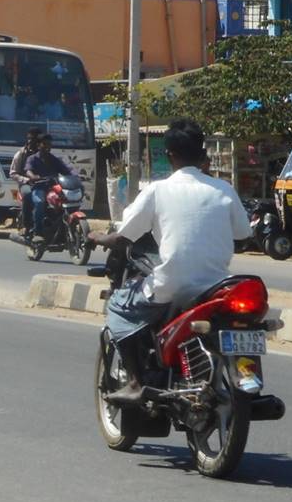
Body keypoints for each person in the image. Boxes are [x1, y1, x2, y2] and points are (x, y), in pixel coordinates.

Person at [92, 119, 252, 404]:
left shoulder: (158, 190)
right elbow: (243, 233)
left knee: (118, 306)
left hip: (172, 286)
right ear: (203, 153)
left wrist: (96, 237)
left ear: (169, 155)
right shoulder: (224, 190)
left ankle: (136, 382)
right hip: (217, 286)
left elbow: (123, 237)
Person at [21, 134, 74, 238]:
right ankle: (38, 232)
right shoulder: (32, 159)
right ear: (38, 145)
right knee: (40, 202)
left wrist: (75, 177)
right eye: (45, 144)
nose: (48, 147)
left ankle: (64, 229)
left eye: (49, 144)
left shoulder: (54, 159)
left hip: (53, 188)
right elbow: (28, 171)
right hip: (39, 187)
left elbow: (66, 170)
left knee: (66, 201)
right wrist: (33, 176)